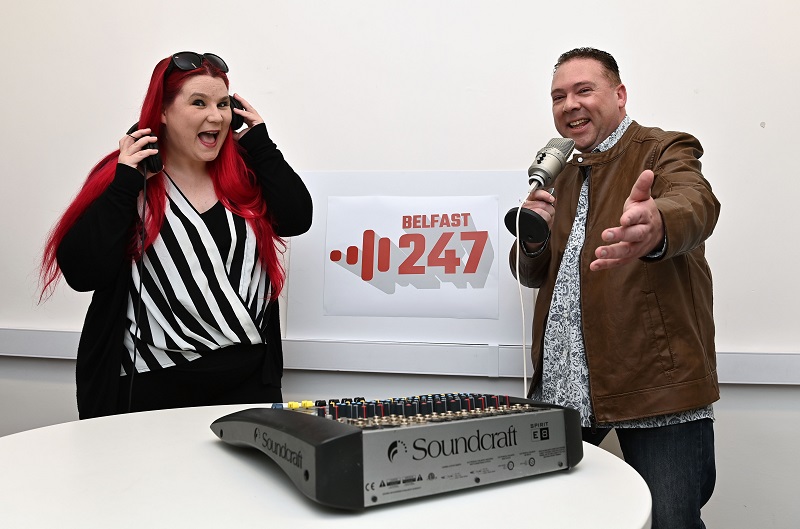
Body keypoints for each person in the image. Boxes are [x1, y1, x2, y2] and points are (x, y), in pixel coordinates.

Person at [509, 47, 720, 529]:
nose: (569, 105)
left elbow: (697, 203)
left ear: (620, 95)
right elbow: (531, 274)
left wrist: (658, 223)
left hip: (654, 388)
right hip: (563, 386)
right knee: (554, 519)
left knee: (671, 521)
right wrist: (534, 236)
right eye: (558, 96)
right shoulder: (560, 172)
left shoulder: (663, 149)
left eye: (584, 90)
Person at [40, 52, 313, 419]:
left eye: (223, 104)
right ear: (163, 112)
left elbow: (297, 218)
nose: (216, 116)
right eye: (199, 103)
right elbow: (82, 272)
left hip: (248, 384)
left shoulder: (247, 174)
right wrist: (124, 185)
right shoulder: (128, 177)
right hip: (151, 385)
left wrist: (262, 145)